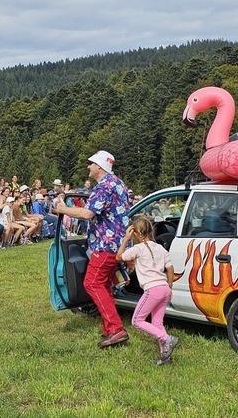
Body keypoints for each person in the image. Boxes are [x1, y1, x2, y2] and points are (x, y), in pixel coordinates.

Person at [55, 150, 130, 348]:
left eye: (91, 163)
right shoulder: (117, 183)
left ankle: (115, 329)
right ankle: (109, 328)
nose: (88, 167)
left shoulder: (104, 186)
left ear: (99, 167)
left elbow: (88, 214)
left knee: (92, 284)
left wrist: (63, 209)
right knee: (104, 285)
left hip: (106, 244)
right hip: (117, 243)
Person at [116, 217, 178, 365]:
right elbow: (170, 268)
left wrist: (125, 239)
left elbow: (119, 257)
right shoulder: (160, 248)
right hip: (165, 288)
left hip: (152, 289)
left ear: (136, 233)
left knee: (137, 320)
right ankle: (165, 357)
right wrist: (169, 286)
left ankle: (166, 338)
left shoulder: (138, 249)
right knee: (157, 323)